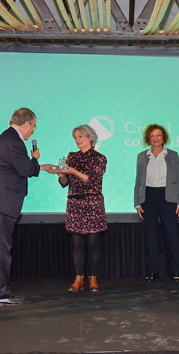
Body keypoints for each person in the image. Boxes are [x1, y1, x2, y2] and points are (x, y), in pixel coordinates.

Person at [0, 108, 53, 306]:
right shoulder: (14, 142)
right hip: (0, 203)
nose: (33, 132)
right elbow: (26, 169)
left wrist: (42, 167)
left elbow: (18, 167)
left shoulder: (7, 138)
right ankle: (0, 294)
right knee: (0, 249)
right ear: (26, 124)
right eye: (33, 127)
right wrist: (36, 159)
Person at [56, 124, 108, 293]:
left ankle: (93, 279)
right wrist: (63, 175)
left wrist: (74, 172)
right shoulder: (71, 157)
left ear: (91, 138)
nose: (78, 140)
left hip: (92, 204)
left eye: (81, 137)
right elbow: (65, 184)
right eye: (76, 137)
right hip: (75, 204)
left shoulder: (99, 158)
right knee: (77, 244)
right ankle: (79, 279)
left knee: (93, 243)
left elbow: (92, 180)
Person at [134, 124, 179, 282]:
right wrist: (137, 203)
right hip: (148, 196)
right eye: (152, 136)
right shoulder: (142, 156)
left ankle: (176, 270)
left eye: (158, 135)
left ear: (164, 138)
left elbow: (178, 178)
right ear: (148, 138)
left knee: (172, 235)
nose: (155, 138)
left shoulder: (172, 155)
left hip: (167, 196)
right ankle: (152, 271)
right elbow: (138, 181)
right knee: (150, 236)